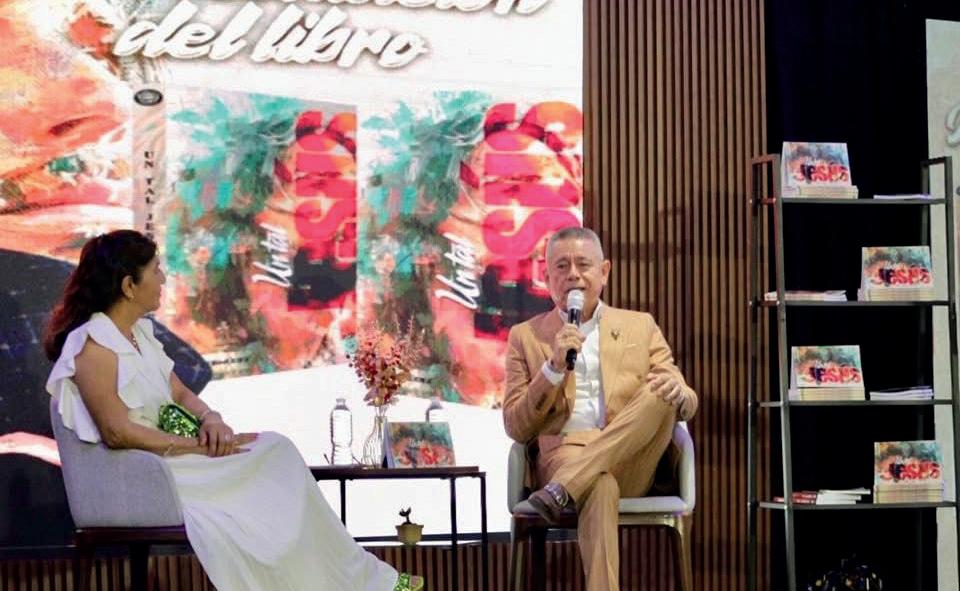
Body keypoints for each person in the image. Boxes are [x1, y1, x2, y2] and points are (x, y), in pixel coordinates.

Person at [44, 230, 423, 591]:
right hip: (150, 473)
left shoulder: (139, 334)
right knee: (273, 457)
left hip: (175, 458)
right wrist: (197, 446)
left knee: (276, 449)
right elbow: (117, 433)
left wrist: (212, 420)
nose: (163, 279)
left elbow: (179, 392)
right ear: (129, 286)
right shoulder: (92, 345)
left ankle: (355, 580)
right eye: (156, 271)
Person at [503, 226, 698, 590]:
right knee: (600, 483)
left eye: (583, 264)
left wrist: (679, 393)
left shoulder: (640, 326)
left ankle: (565, 488)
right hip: (565, 455)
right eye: (562, 266)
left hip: (633, 460)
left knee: (658, 392)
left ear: (604, 272)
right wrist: (552, 369)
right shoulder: (525, 336)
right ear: (546, 276)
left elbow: (686, 401)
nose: (573, 275)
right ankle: (570, 483)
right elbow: (516, 427)